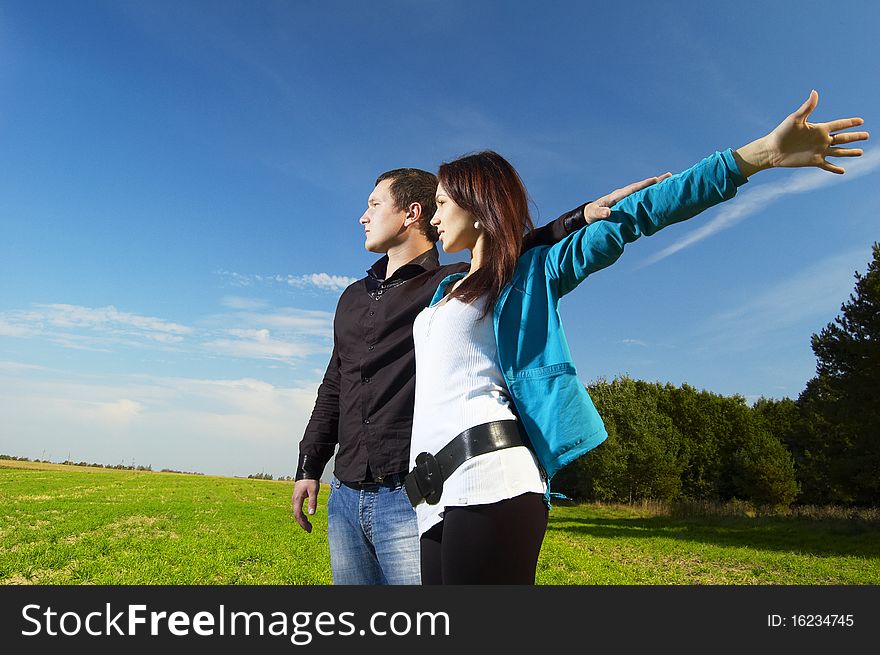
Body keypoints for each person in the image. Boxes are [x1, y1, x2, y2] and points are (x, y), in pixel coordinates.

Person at [406, 90, 868, 584]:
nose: (433, 219)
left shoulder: (532, 274)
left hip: (492, 482)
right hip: (433, 496)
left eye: (439, 203)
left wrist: (757, 156)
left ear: (477, 204)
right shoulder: (443, 293)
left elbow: (642, 213)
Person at [291, 166, 671, 585]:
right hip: (345, 495)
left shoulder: (449, 287)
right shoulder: (351, 298)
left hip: (411, 491)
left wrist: (579, 217)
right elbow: (334, 385)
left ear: (410, 213)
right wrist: (310, 464)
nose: (363, 216)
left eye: (373, 204)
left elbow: (507, 248)